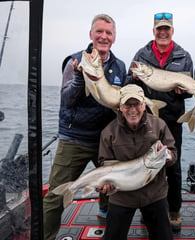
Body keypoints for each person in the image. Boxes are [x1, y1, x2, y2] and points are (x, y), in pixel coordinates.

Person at [42, 14, 126, 240]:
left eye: (108, 33)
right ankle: (47, 235)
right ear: (91, 34)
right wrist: (80, 79)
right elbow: (67, 100)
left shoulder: (119, 66)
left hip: (105, 141)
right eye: (99, 31)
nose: (103, 36)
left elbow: (118, 104)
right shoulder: (75, 61)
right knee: (55, 195)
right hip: (75, 139)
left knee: (112, 188)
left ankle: (104, 213)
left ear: (114, 37)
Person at [125, 12, 193, 232]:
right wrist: (133, 78)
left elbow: (189, 92)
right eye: (159, 29)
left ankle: (174, 210)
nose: (163, 33)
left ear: (172, 31)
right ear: (153, 31)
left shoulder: (184, 56)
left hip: (173, 121)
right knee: (147, 164)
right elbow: (128, 84)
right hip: (146, 121)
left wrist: (183, 92)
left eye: (167, 29)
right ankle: (149, 210)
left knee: (172, 165)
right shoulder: (141, 55)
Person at [96, 84, 177, 240]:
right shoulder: (109, 132)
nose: (132, 109)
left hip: (154, 194)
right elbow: (104, 163)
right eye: (128, 105)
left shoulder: (159, 125)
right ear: (120, 107)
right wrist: (105, 185)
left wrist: (168, 156)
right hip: (122, 196)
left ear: (144, 105)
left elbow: (173, 154)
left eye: (136, 104)